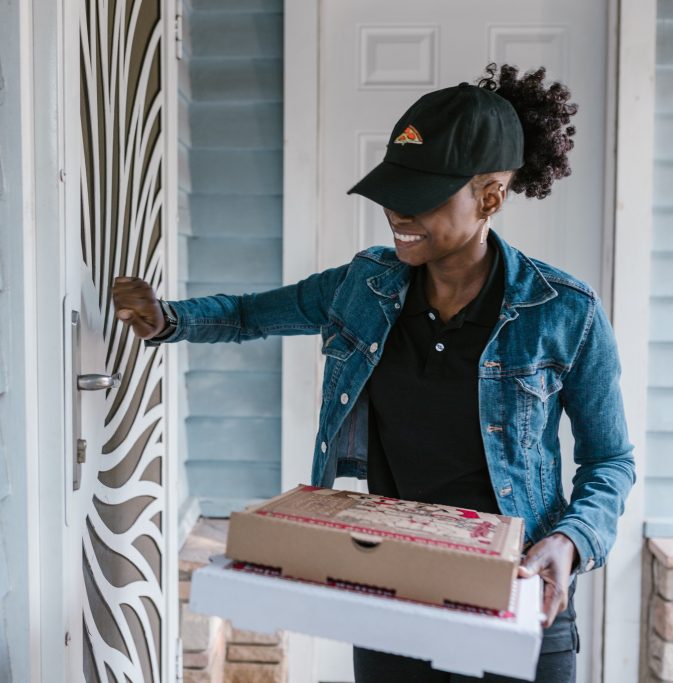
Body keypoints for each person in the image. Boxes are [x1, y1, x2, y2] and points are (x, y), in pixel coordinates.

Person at [111, 63, 635, 683]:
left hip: (515, 595)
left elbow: (610, 462)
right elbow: (254, 313)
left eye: (422, 196)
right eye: (393, 189)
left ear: (490, 195)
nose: (395, 212)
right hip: (392, 591)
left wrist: (569, 543)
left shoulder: (564, 312)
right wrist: (167, 320)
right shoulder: (365, 286)